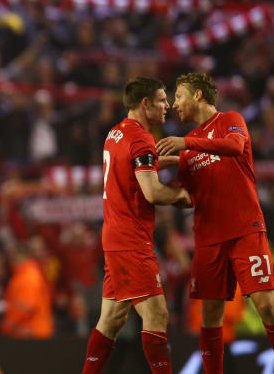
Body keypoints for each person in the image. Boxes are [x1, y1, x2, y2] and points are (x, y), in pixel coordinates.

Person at [156, 72, 274, 374]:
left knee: (267, 306)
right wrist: (152, 176)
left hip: (245, 228)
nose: (174, 104)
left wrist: (184, 144)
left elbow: (234, 146)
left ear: (197, 95)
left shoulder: (231, 119)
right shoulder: (189, 151)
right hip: (208, 237)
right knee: (209, 315)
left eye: (178, 96)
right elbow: (188, 195)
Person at [82, 76, 192, 374]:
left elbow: (142, 163)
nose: (167, 105)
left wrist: (181, 160)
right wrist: (181, 194)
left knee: (111, 320)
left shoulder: (115, 133)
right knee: (157, 315)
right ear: (146, 104)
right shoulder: (141, 138)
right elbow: (152, 191)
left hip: (115, 235)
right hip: (132, 239)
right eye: (161, 100)